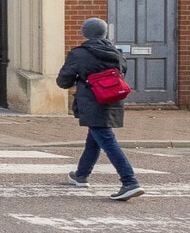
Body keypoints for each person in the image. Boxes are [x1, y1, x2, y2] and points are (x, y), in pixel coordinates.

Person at [55, 17, 143, 201]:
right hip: (113, 99)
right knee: (94, 138)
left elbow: (63, 80)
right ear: (104, 33)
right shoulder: (116, 52)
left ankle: (129, 181)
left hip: (92, 101)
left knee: (107, 140)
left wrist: (79, 79)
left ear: (85, 33)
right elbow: (122, 73)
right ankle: (81, 175)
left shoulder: (79, 54)